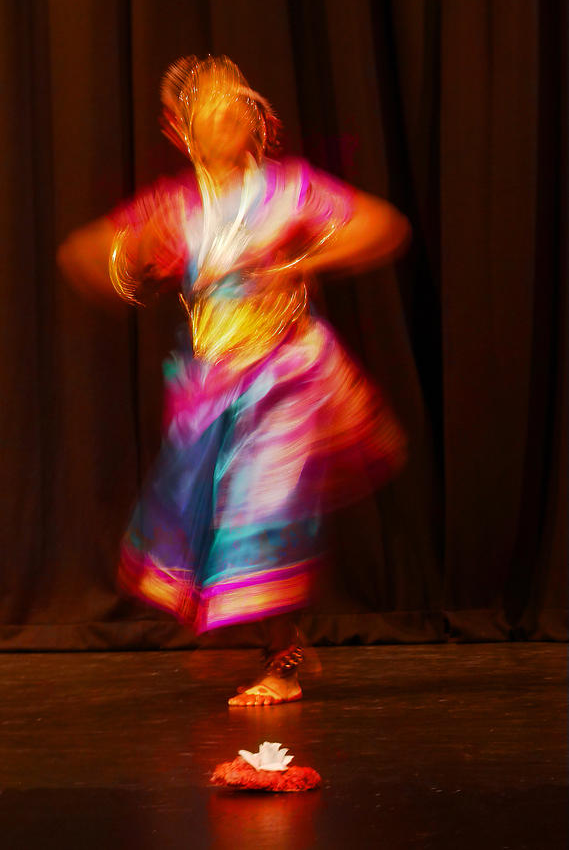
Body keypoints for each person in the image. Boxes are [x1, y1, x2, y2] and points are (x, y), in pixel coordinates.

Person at [58, 55, 410, 706]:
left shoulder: (290, 190)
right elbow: (80, 253)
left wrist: (301, 260)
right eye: (210, 109)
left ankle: (281, 665)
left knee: (262, 506)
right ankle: (281, 643)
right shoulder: (178, 207)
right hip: (213, 387)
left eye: (236, 105)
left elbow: (381, 226)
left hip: (284, 377)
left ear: (256, 122)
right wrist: (130, 254)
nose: (227, 115)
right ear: (182, 130)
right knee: (214, 519)